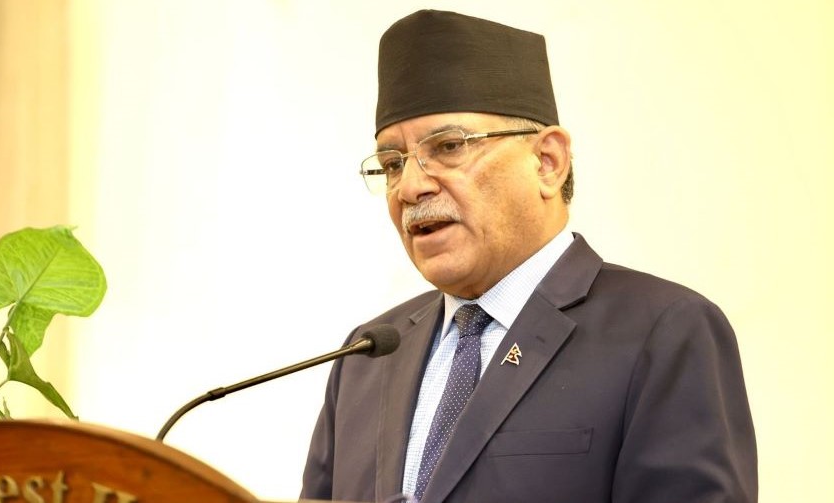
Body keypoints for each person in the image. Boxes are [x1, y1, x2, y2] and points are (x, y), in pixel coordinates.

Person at [300, 9, 756, 503]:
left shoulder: (663, 332)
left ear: (547, 162)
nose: (410, 187)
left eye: (449, 146)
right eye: (392, 164)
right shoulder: (366, 357)